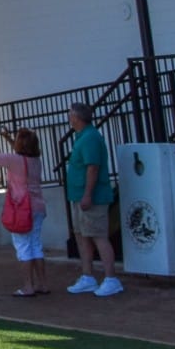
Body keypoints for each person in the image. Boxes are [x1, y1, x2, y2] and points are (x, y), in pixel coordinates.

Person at [64, 103, 121, 298]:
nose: (69, 118)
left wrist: (88, 194)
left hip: (91, 197)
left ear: (77, 118)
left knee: (98, 236)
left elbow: (93, 168)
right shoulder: (82, 137)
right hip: (78, 196)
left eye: (71, 115)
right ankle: (88, 276)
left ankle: (111, 278)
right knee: (82, 236)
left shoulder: (90, 138)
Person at [0, 124, 48, 297]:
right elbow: (20, 152)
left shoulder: (15, 161)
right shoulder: (35, 160)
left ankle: (28, 286)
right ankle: (42, 284)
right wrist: (9, 138)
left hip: (22, 209)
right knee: (36, 245)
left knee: (23, 247)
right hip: (38, 206)